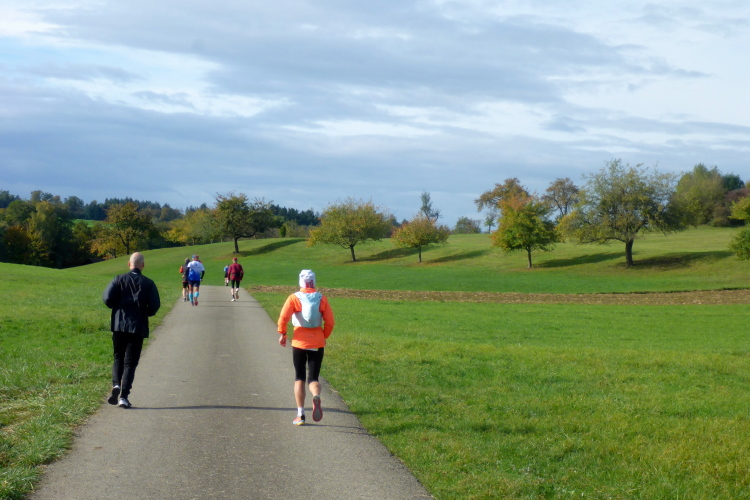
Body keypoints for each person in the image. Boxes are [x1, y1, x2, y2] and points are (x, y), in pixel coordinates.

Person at [102, 252, 161, 408]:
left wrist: (116, 307)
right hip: (138, 326)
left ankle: (116, 384)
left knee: (118, 357)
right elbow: (154, 305)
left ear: (129, 264)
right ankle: (124, 397)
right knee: (130, 363)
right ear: (143, 265)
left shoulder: (118, 279)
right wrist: (146, 312)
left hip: (119, 325)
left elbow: (107, 298)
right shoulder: (148, 283)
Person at [277, 270, 334, 425]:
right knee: (313, 377)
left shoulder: (294, 298)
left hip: (299, 342)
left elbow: (283, 317)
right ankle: (316, 395)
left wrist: (283, 333)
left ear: (301, 282)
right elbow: (330, 322)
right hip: (317, 342)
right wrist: (323, 336)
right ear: (314, 281)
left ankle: (300, 415)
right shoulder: (322, 298)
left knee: (299, 377)